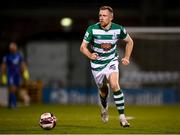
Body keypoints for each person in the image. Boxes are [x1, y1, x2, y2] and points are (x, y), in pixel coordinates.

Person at [80, 6, 133, 127]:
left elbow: (130, 42)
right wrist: (90, 55)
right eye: (100, 15)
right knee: (103, 90)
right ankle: (104, 108)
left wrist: (126, 57)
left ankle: (122, 118)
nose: (101, 18)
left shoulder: (118, 29)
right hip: (96, 64)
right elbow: (83, 47)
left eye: (104, 15)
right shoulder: (92, 29)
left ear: (111, 17)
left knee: (114, 85)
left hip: (111, 61)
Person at [1, 42, 30, 108]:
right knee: (12, 89)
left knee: (15, 89)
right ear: (10, 48)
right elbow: (3, 66)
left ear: (16, 48)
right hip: (10, 74)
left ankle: (10, 104)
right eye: (12, 47)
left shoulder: (19, 56)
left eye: (14, 47)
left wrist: (25, 73)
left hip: (17, 75)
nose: (13, 48)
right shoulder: (7, 56)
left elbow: (23, 65)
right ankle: (14, 104)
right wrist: (3, 76)